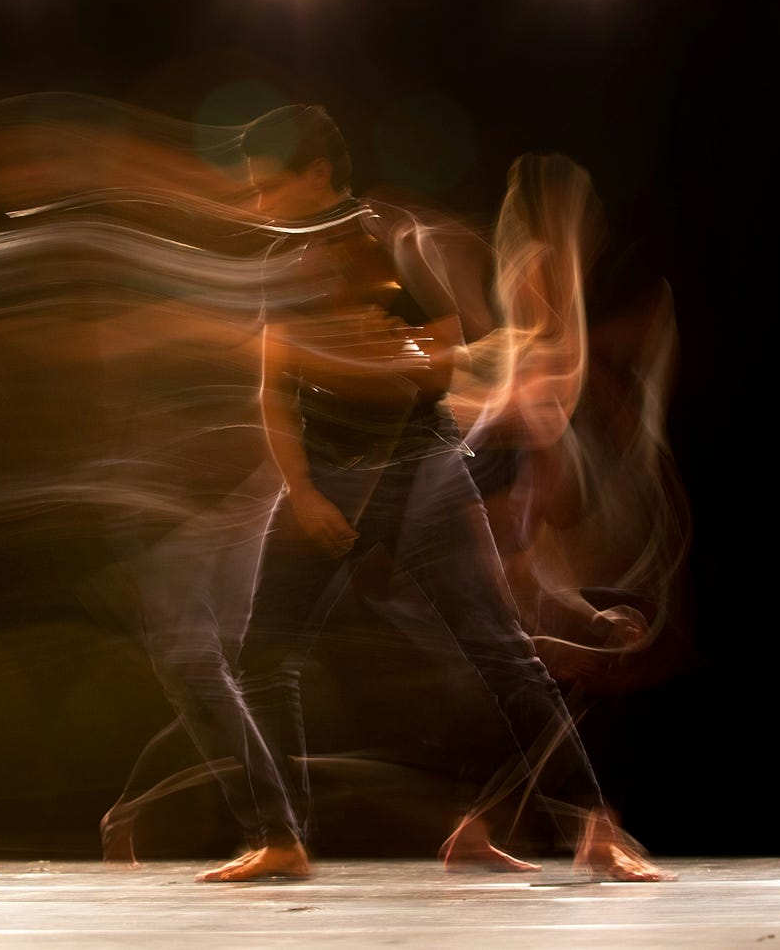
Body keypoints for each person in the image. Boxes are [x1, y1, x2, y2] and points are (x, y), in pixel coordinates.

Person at [192, 104, 673, 883]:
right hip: (329, 477)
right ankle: (281, 836)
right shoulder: (280, 261)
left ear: (316, 174)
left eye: (267, 186)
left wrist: (388, 361)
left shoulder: (382, 244)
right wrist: (303, 489)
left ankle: (597, 826)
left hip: (418, 470)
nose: (258, 202)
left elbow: (443, 358)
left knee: (500, 651)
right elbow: (272, 387)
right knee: (260, 656)